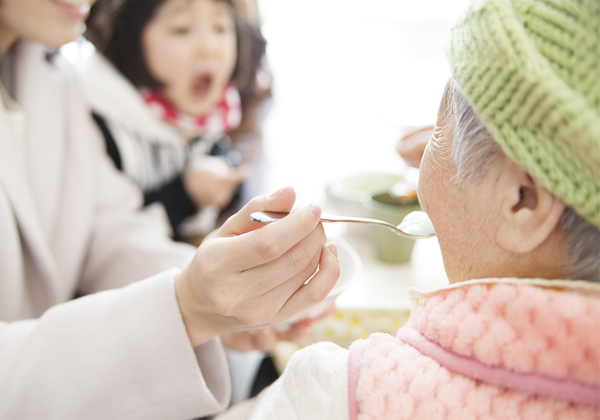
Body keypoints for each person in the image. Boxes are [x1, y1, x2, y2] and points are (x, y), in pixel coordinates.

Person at [217, 0, 600, 418]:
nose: (417, 156)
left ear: (522, 201)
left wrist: (198, 314)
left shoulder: (332, 394)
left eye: (439, 124)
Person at [0, 0, 340, 418]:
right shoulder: (97, 97)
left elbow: (109, 230)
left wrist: (225, 293)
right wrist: (185, 310)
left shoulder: (50, 75)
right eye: (182, 30)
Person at [78, 0, 256, 239]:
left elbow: (215, 151)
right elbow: (109, 236)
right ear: (132, 39)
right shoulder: (99, 120)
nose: (209, 47)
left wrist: (222, 176)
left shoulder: (197, 108)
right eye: (182, 29)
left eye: (221, 28)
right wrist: (186, 195)